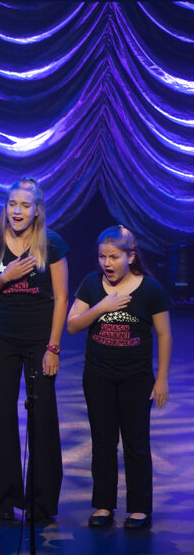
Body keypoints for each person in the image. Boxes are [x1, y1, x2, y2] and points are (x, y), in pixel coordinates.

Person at [67, 225, 171, 530]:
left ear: (131, 256)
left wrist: (161, 378)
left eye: (114, 256)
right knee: (103, 442)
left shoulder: (150, 290)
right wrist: (102, 306)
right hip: (98, 376)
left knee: (136, 443)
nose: (107, 263)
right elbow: (72, 326)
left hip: (136, 379)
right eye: (102, 256)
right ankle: (103, 505)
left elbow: (164, 335)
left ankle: (139, 508)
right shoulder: (91, 284)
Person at [0, 177, 68, 521]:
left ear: (37, 210)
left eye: (25, 206)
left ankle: (41, 504)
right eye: (12, 204)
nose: (17, 211)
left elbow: (61, 299)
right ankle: (5, 499)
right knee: (1, 418)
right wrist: (6, 277)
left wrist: (54, 348)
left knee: (42, 418)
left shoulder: (52, 244)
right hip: (2, 338)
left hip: (39, 340)